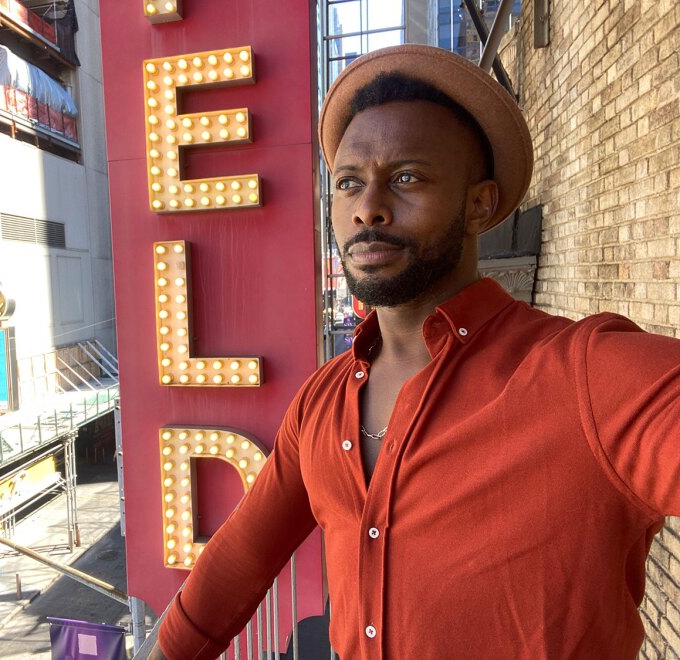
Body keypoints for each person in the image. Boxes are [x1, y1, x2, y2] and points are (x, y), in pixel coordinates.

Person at [148, 45, 680, 659]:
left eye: (407, 178)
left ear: (479, 203)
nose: (367, 208)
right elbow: (236, 563)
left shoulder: (585, 376)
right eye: (349, 183)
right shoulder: (321, 404)